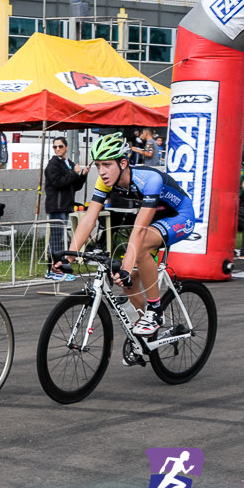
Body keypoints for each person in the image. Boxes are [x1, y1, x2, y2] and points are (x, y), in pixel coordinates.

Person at [53, 133, 197, 357]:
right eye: (98, 165)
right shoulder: (104, 182)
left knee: (138, 249)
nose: (101, 171)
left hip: (180, 216)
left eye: (107, 165)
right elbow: (89, 219)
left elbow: (139, 231)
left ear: (123, 163)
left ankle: (156, 311)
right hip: (156, 219)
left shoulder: (149, 180)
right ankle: (146, 338)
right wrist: (69, 257)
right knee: (127, 282)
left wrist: (127, 268)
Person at [44, 136, 89, 281]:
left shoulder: (68, 163)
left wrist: (82, 176)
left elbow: (74, 185)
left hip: (65, 205)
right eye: (55, 147)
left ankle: (59, 267)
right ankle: (51, 269)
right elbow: (58, 183)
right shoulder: (53, 165)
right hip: (56, 206)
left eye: (60, 146)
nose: (57, 149)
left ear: (66, 147)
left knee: (61, 239)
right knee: (56, 238)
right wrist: (74, 174)